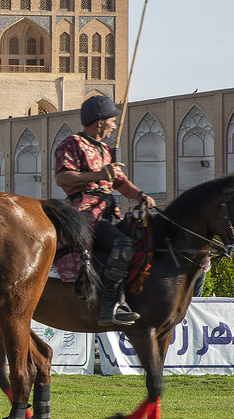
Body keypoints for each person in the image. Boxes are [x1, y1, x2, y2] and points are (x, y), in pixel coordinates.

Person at [54, 95, 157, 327]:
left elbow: (121, 182)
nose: (114, 126)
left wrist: (140, 195)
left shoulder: (107, 150)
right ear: (99, 122)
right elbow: (62, 177)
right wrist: (99, 174)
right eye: (112, 121)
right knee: (123, 246)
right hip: (84, 211)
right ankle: (110, 306)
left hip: (108, 211)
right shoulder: (72, 144)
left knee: (141, 242)